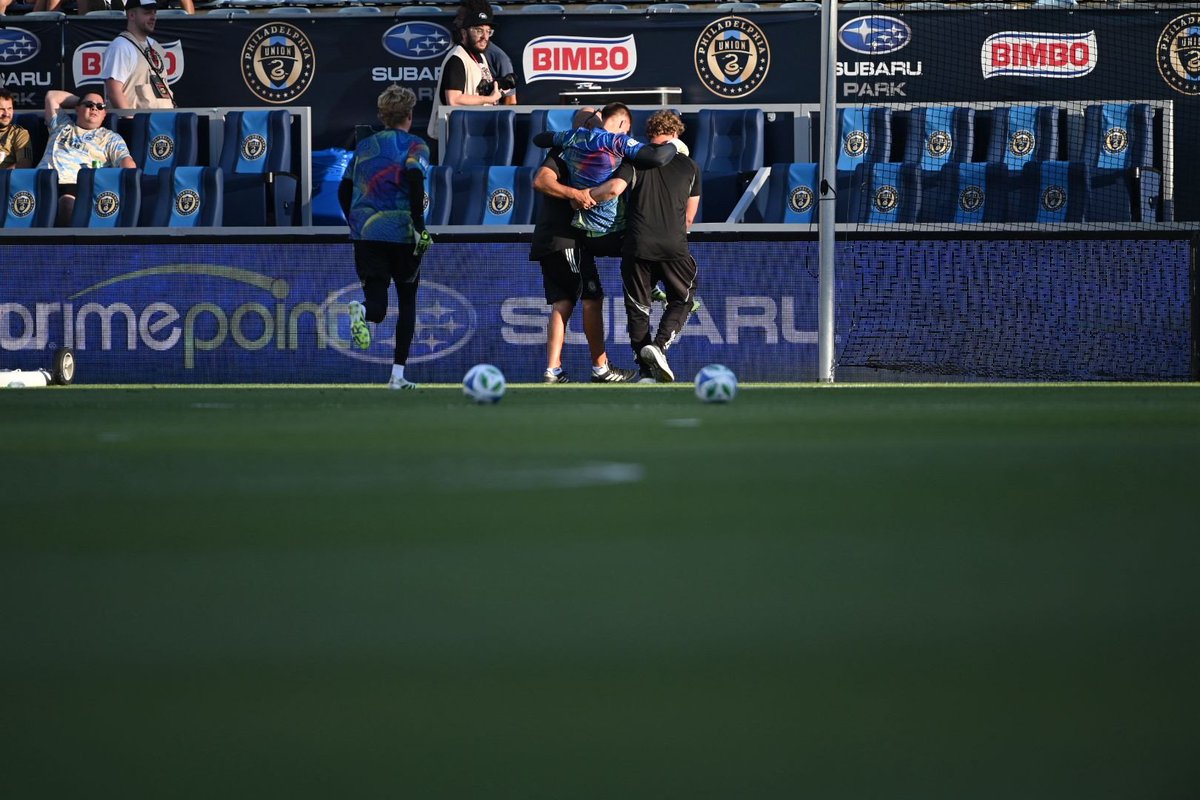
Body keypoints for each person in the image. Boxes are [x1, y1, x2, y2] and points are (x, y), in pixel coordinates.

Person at [530, 107, 637, 384]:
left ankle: (553, 369)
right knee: (589, 298)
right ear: (586, 126)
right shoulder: (564, 151)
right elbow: (540, 180)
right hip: (564, 237)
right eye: (595, 119)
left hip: (557, 238)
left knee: (563, 301)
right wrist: (576, 194)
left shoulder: (587, 151)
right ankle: (600, 368)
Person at [338, 84, 433, 391]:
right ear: (409, 114)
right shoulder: (416, 145)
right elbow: (415, 179)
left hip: (366, 234)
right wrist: (419, 225)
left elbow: (343, 188)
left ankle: (361, 311)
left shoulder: (364, 147)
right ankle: (397, 375)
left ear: (382, 115)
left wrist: (355, 220)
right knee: (407, 301)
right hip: (403, 234)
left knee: (376, 307)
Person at [618, 111, 701, 384]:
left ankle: (645, 372)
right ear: (676, 135)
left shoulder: (633, 160)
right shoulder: (689, 166)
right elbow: (689, 218)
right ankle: (660, 346)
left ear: (649, 134)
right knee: (683, 298)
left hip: (637, 243)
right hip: (673, 245)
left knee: (638, 307)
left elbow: (615, 191)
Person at [37, 89, 136, 226]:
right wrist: (81, 99)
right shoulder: (61, 124)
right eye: (89, 105)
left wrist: (129, 182)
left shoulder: (109, 137)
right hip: (40, 179)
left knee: (66, 203)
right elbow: (51, 96)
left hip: (74, 183)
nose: (94, 108)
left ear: (104, 114)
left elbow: (126, 161)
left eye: (100, 106)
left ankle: (63, 245)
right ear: (77, 108)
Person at [428, 0, 504, 141]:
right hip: (452, 140)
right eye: (478, 30)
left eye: (488, 31)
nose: (484, 37)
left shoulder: (480, 56)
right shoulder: (457, 58)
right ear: (464, 32)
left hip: (472, 133)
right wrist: (488, 99)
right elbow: (454, 100)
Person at [101, 0, 176, 111]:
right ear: (131, 15)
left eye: (154, 12)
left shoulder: (154, 45)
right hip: (138, 124)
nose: (153, 17)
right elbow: (114, 91)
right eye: (147, 13)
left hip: (163, 122)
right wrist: (131, 121)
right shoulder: (121, 46)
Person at [0, 89, 34, 170]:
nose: (6, 114)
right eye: (1, 109)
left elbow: (24, 164)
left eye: (9, 108)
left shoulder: (19, 134)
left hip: (5, 180)